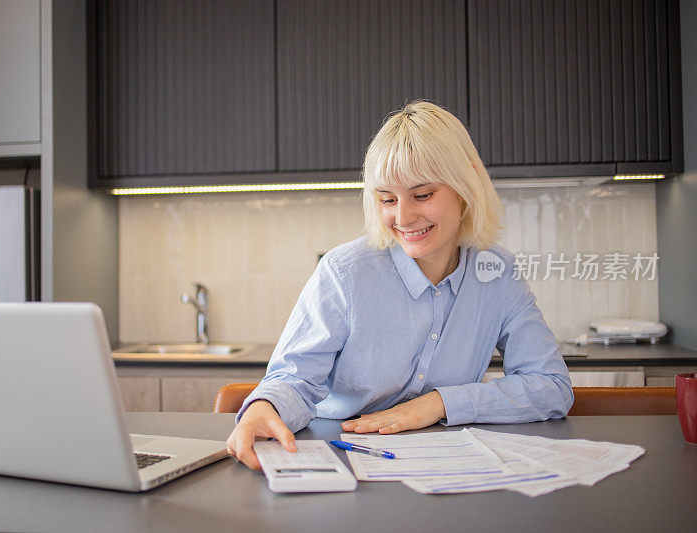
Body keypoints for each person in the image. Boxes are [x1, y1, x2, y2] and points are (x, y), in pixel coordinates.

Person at [226, 100, 573, 470]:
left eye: (422, 195)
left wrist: (439, 402)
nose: (404, 217)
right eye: (387, 199)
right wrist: (263, 408)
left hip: (447, 461)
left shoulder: (497, 272)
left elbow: (551, 386)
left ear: (466, 185)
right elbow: (293, 380)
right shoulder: (344, 271)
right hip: (343, 453)